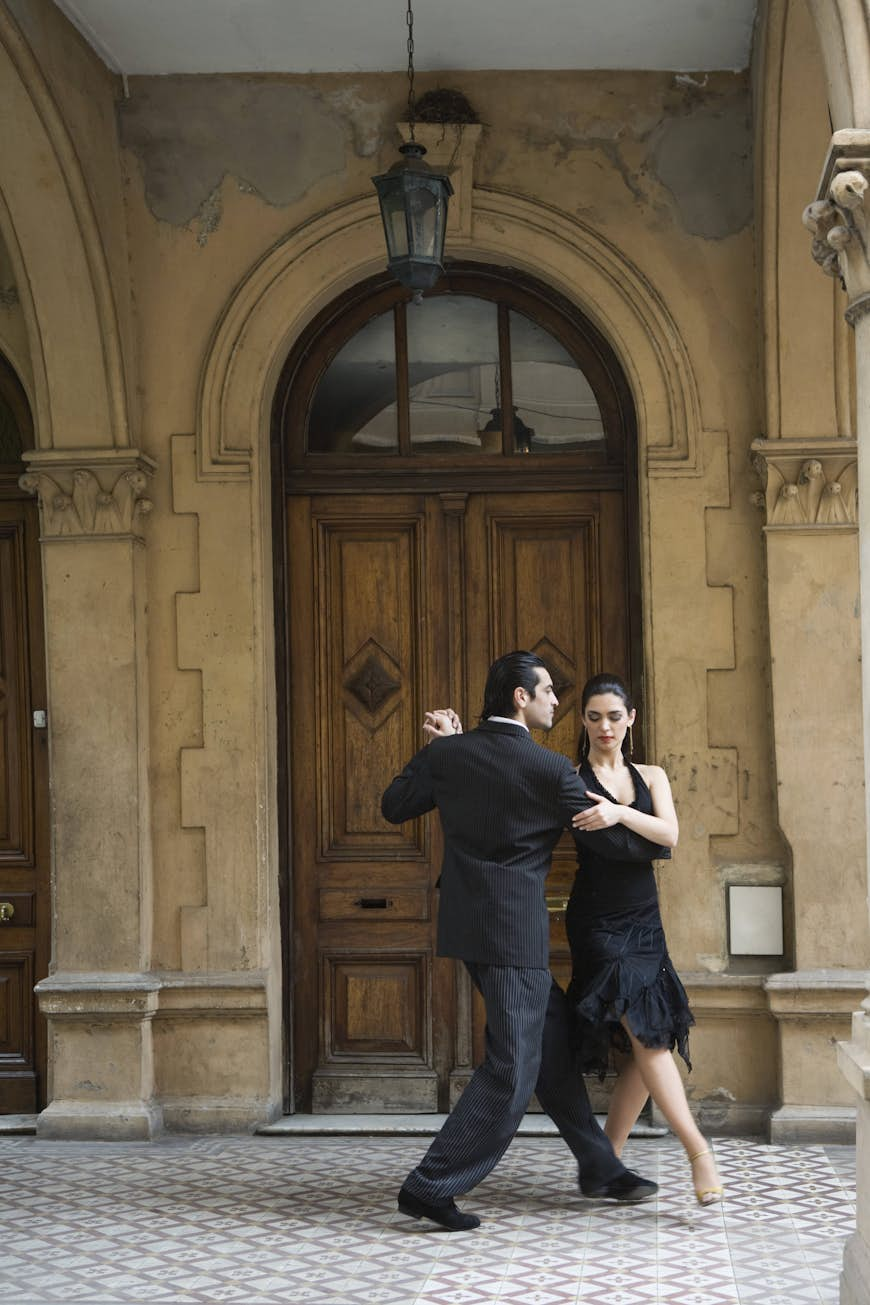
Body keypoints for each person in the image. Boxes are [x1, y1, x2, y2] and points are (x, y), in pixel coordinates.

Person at [381, 650, 666, 1231]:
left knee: (552, 1046)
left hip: (470, 926)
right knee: (513, 1068)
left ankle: (600, 1166)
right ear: (520, 696)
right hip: (514, 934)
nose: (556, 702)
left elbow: (395, 805)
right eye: (547, 692)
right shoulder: (549, 770)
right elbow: (620, 847)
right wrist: (635, 821)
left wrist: (438, 748)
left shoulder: (450, 754)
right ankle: (430, 1186)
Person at [566, 672, 724, 1206]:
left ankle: (603, 1160)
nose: (604, 726)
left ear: (630, 718)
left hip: (644, 920)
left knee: (644, 1038)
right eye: (593, 716)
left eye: (614, 716)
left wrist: (617, 812)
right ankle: (697, 1150)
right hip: (598, 923)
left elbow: (670, 835)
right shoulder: (571, 779)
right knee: (647, 1034)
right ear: (583, 721)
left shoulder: (652, 775)